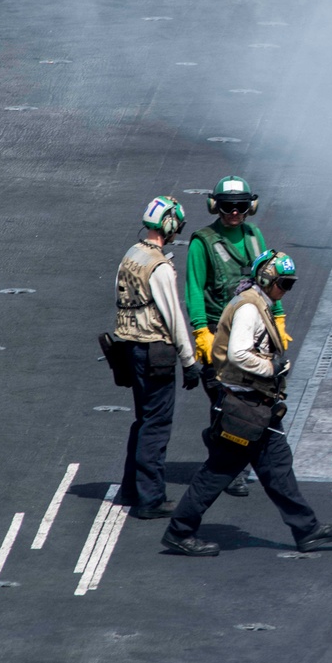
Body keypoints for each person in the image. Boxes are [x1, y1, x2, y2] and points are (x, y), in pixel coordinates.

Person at [161, 250, 332, 557]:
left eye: (289, 284)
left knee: (278, 469)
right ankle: (179, 532)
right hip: (245, 407)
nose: (285, 291)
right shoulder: (249, 308)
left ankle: (307, 530)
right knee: (217, 473)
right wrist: (270, 369)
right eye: (283, 283)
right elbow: (238, 354)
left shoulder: (258, 302)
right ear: (266, 278)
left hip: (257, 408)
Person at [186, 175, 288, 500]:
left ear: (250, 207)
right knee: (229, 404)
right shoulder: (203, 242)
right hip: (219, 336)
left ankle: (229, 454)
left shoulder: (254, 237)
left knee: (247, 404)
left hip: (254, 336)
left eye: (240, 206)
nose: (233, 212)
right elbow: (193, 290)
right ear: (215, 206)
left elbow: (272, 278)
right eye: (227, 206)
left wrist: (280, 318)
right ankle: (231, 470)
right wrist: (201, 331)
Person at [115, 197, 200, 519]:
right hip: (155, 352)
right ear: (167, 224)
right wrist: (189, 362)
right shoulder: (159, 266)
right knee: (157, 425)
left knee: (142, 420)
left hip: (128, 347)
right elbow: (174, 317)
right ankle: (149, 499)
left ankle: (130, 489)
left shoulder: (131, 255)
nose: (177, 229)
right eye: (175, 223)